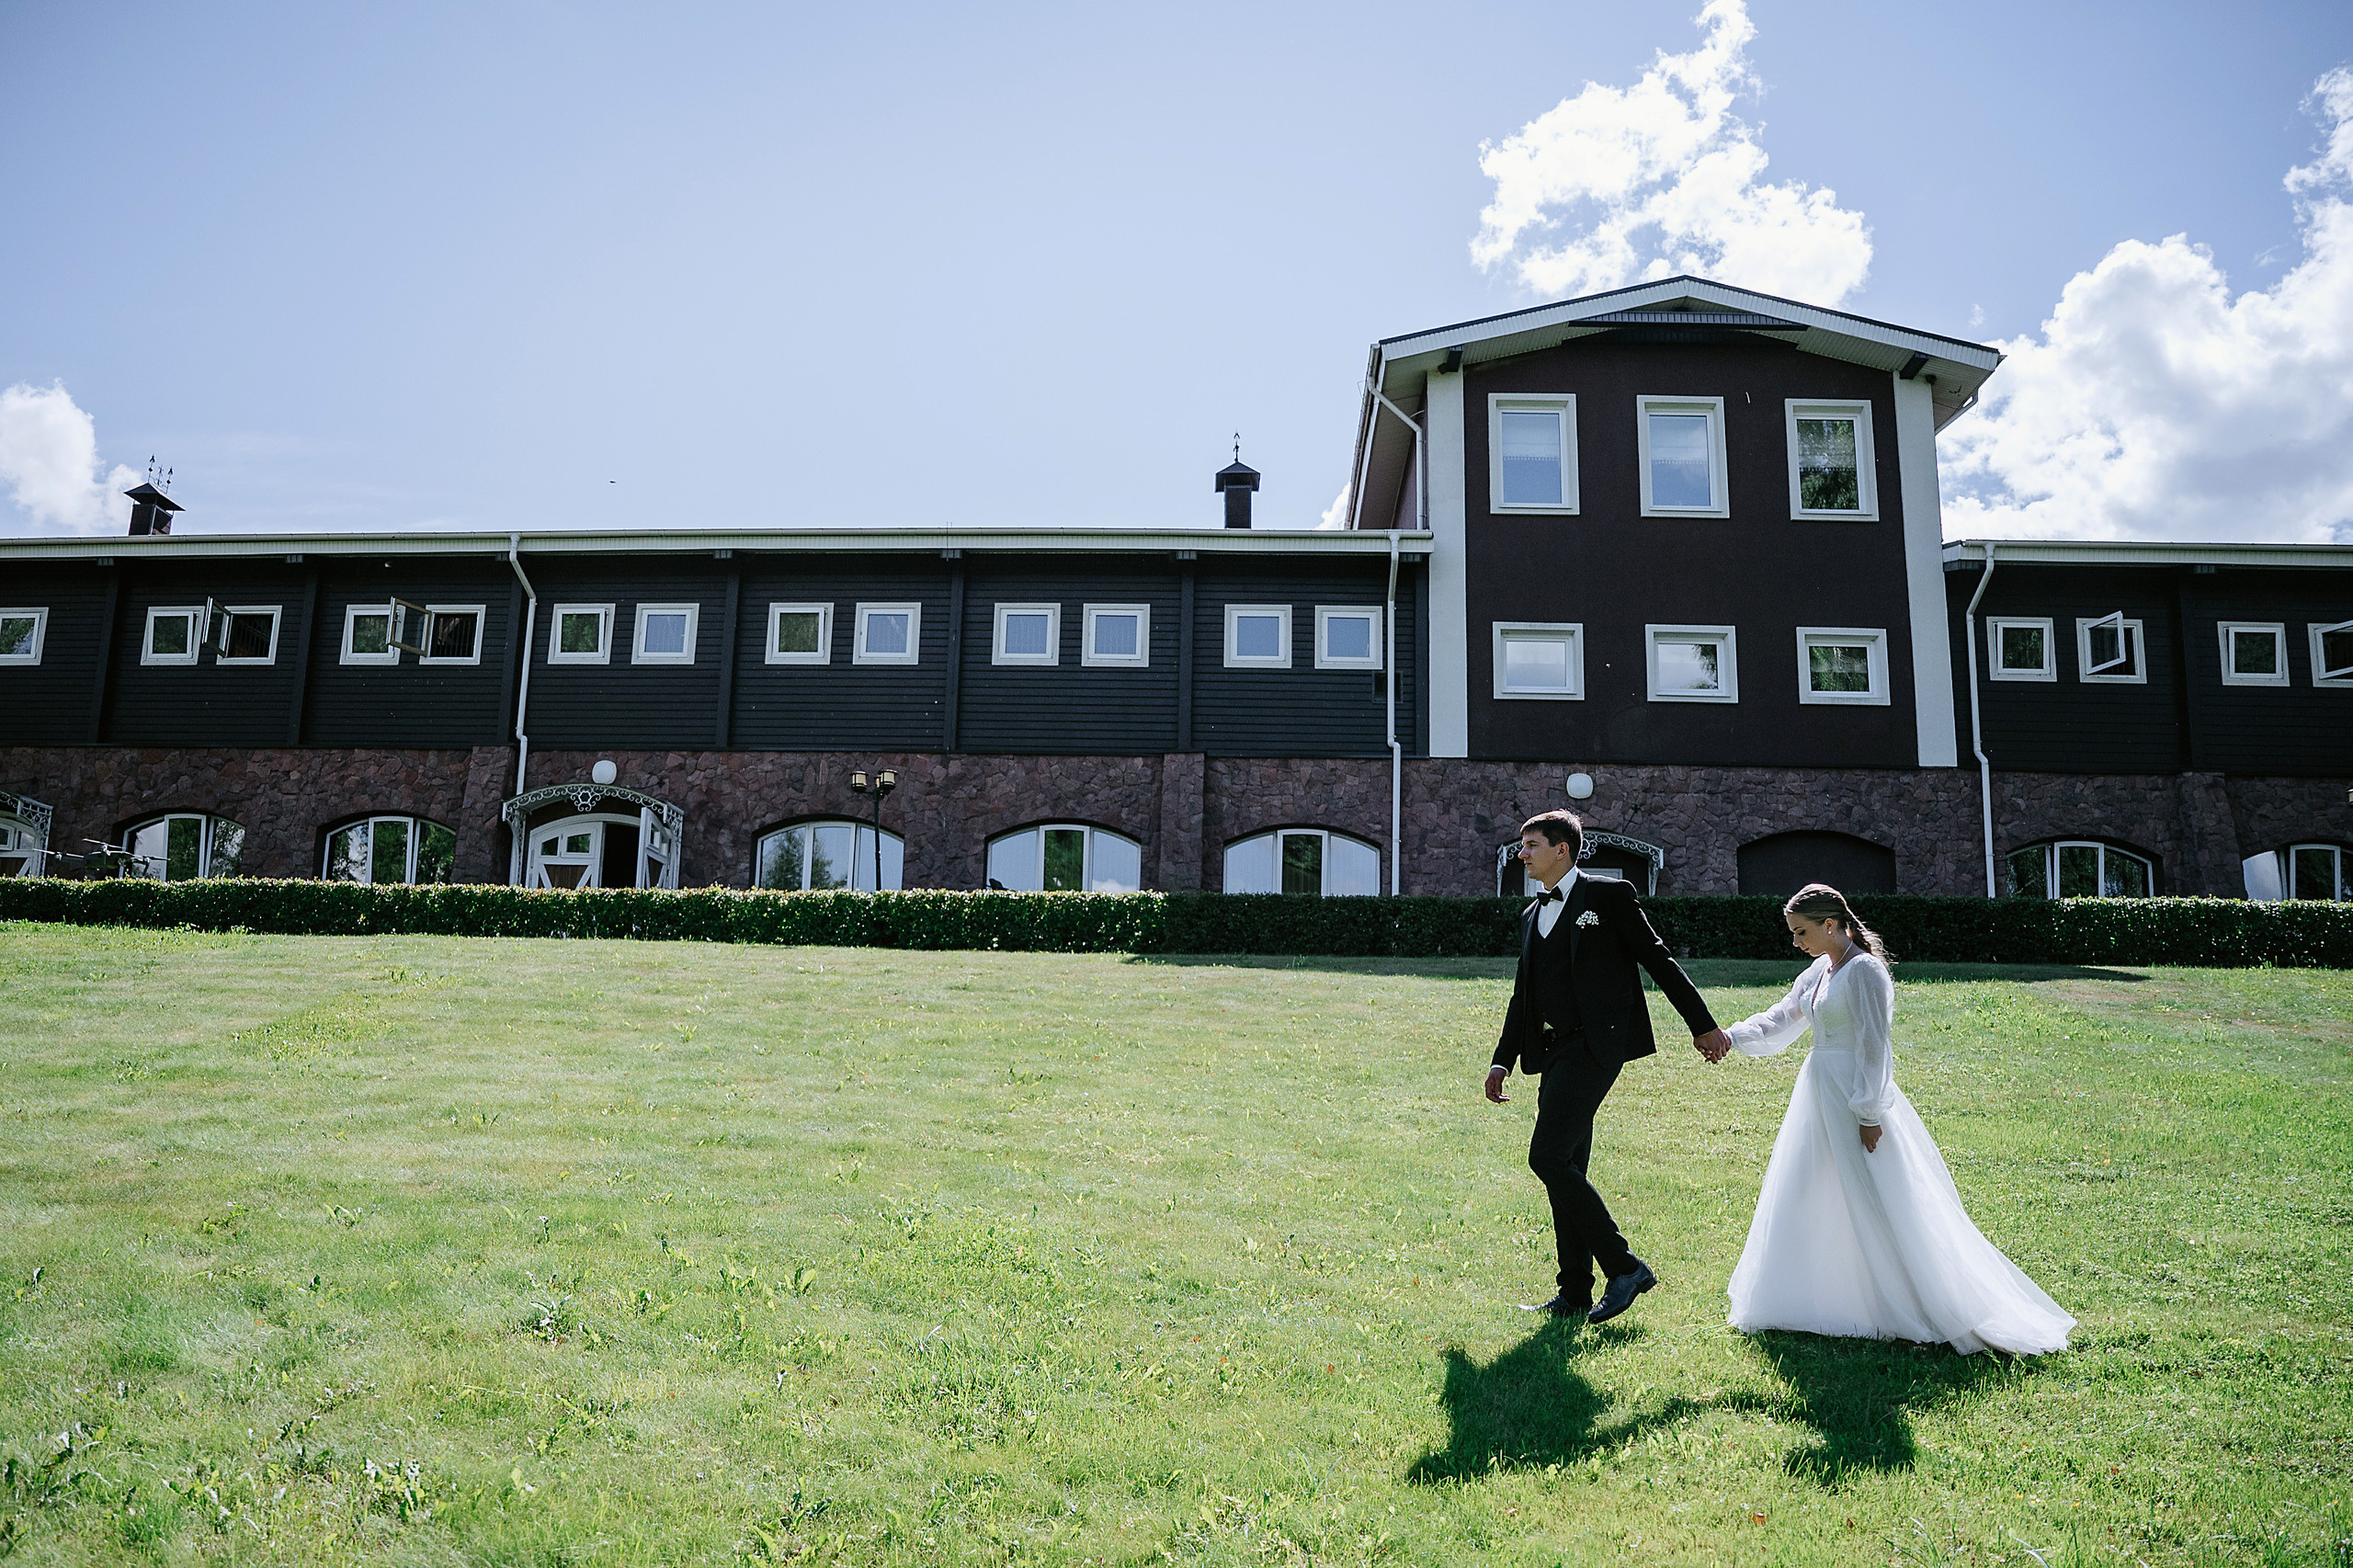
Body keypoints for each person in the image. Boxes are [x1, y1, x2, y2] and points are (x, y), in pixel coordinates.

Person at [1710, 883, 2075, 1355]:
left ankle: (1915, 1301)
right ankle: (1815, 1295)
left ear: (1830, 924)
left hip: (1852, 1093)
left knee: (1876, 1192)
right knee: (1810, 1185)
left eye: (1801, 932)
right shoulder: (1821, 970)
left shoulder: (1864, 972)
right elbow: (1783, 1017)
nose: (1795, 941)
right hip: (1819, 1090)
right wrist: (1730, 1037)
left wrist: (1867, 1111)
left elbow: (1874, 1046)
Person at [1484, 810, 1733, 1324]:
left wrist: (1701, 1025)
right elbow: (1522, 995)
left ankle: (1624, 1267)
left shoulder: (1608, 897)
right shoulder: (1531, 915)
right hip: (1551, 1052)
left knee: (1547, 1158)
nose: (1522, 854)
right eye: (1521, 845)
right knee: (1567, 1167)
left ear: (1563, 850)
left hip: (1597, 1048)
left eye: (1532, 845)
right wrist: (1501, 1061)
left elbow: (1658, 960)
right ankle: (1574, 1291)